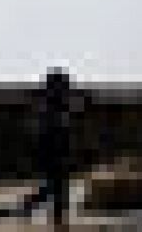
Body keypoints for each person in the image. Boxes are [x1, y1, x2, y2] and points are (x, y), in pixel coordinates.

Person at [19, 68, 85, 225]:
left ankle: (56, 218)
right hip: (54, 154)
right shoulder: (54, 108)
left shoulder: (53, 106)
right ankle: (50, 215)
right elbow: (54, 133)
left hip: (54, 153)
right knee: (54, 190)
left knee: (56, 190)